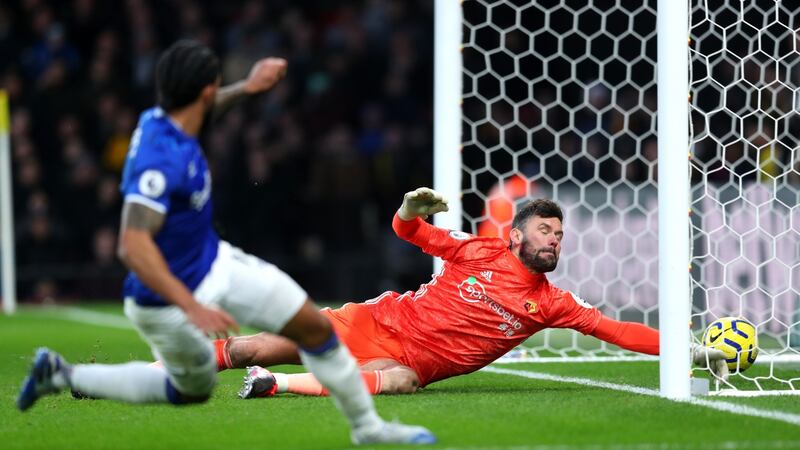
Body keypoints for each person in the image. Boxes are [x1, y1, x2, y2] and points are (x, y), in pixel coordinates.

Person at [16, 40, 435, 446]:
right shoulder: (159, 164)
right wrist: (192, 306)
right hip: (166, 293)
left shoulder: (165, 119)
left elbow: (208, 108)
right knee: (189, 389)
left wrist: (249, 87)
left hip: (213, 262)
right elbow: (132, 245)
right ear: (204, 90)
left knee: (313, 326)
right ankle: (65, 375)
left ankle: (367, 428)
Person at [202, 187, 729, 398]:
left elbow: (620, 332)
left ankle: (275, 385)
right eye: (545, 231)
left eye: (559, 234)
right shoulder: (477, 250)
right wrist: (408, 208)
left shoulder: (552, 303)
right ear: (516, 236)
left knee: (403, 382)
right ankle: (171, 370)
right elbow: (408, 231)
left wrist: (693, 351)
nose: (555, 240)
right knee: (249, 346)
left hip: (408, 363)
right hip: (375, 322)